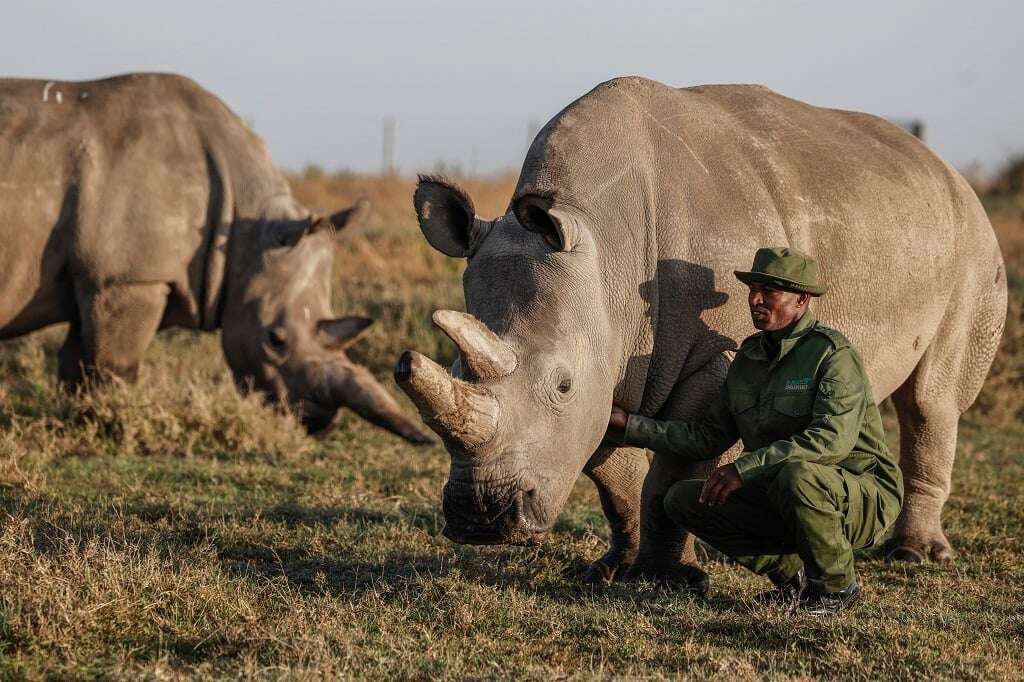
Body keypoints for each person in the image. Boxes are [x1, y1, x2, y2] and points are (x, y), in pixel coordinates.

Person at [607, 247, 903, 614]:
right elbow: (706, 437)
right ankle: (793, 582)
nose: (755, 300)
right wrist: (628, 426)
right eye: (753, 289)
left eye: (770, 291)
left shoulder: (832, 354)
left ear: (801, 299)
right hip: (787, 492)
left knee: (798, 476)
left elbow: (832, 441)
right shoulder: (748, 359)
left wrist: (743, 469)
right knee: (684, 500)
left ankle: (836, 589)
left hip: (861, 495)